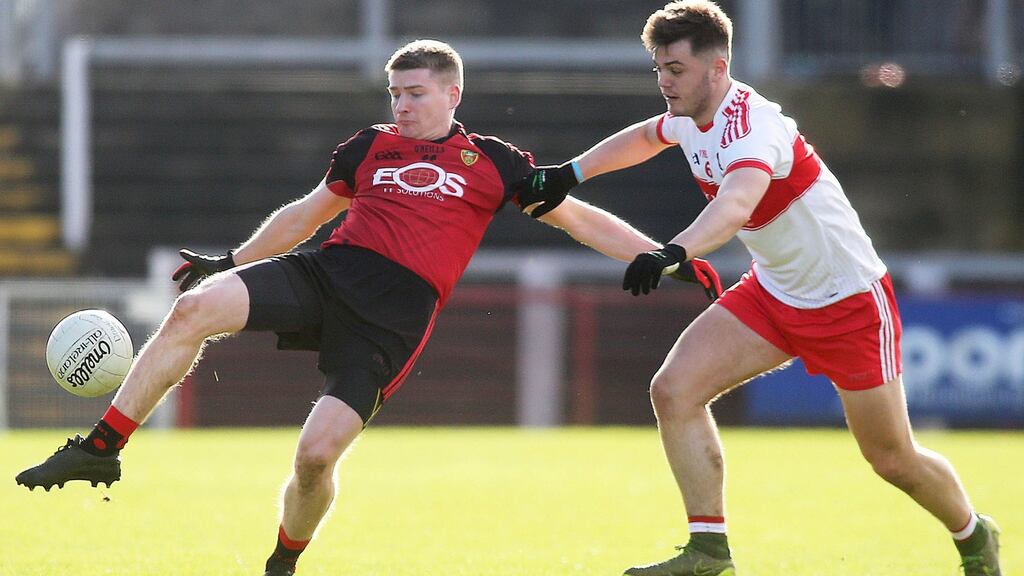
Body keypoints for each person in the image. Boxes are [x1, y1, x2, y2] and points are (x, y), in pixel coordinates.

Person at [15, 39, 721, 576]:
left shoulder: (495, 163)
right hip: (329, 273)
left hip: (394, 318)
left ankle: (282, 563)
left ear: (452, 95)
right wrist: (234, 259)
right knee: (194, 309)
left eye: (414, 93)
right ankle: (100, 449)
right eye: (394, 93)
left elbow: (581, 219)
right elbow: (305, 215)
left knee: (316, 458)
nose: (401, 106)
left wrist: (668, 256)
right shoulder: (368, 148)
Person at [518, 2, 1002, 575]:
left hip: (848, 302)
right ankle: (707, 550)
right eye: (658, 69)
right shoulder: (688, 114)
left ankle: (973, 535)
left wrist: (674, 251)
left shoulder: (756, 127)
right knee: (673, 391)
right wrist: (569, 174)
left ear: (717, 67)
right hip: (773, 293)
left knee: (892, 459)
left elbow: (735, 206)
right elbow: (649, 136)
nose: (664, 81)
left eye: (675, 68)